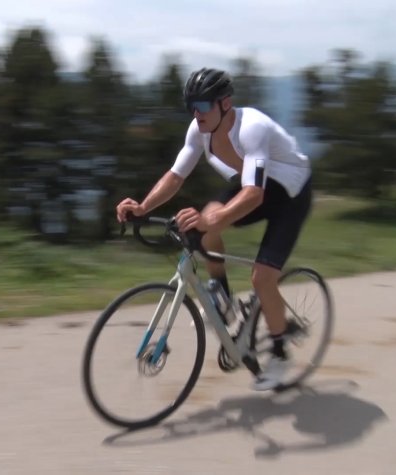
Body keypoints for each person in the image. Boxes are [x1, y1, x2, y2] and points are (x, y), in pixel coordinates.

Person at [116, 68, 313, 391]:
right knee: (205, 218)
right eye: (191, 106)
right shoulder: (199, 130)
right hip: (256, 185)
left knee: (262, 277)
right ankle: (222, 292)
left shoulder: (252, 129)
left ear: (225, 104)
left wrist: (213, 221)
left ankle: (279, 353)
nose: (197, 113)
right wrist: (142, 207)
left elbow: (254, 195)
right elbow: (176, 176)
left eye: (204, 106)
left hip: (290, 194)